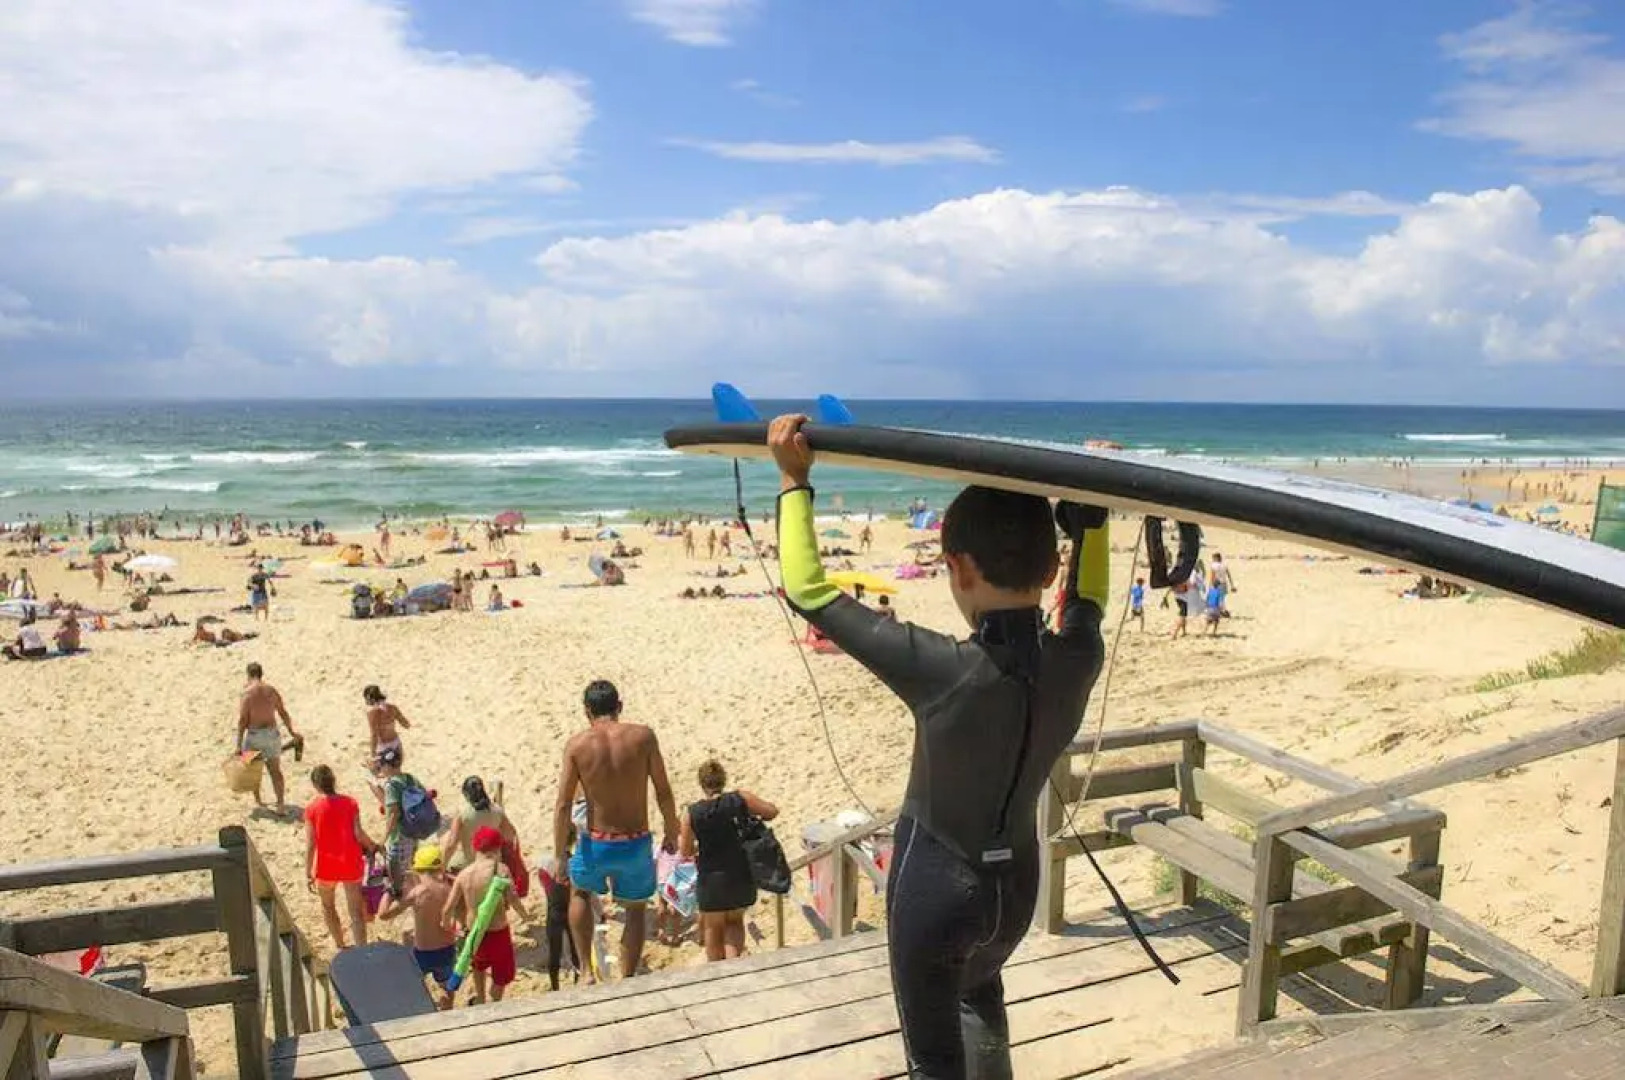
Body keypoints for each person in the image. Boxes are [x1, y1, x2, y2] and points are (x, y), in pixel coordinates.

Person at [767, 413, 1109, 1080]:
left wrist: (791, 481)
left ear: (953, 567)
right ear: (1050, 566)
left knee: (933, 1064)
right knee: (982, 1002)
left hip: (936, 891)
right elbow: (1085, 602)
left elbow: (809, 591)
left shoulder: (942, 670)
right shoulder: (1077, 657)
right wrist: (1090, 521)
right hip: (1015, 892)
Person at [552, 679, 679, 983]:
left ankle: (585, 970)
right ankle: (629, 974)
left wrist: (559, 854)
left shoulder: (577, 745)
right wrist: (672, 829)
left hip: (596, 840)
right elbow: (663, 790)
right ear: (619, 706)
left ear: (586, 711)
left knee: (581, 894)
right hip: (635, 840)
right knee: (635, 908)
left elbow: (563, 804)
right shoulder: (644, 738)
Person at [680, 759, 778, 962]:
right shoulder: (740, 799)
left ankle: (717, 974)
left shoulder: (691, 814)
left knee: (713, 926)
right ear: (723, 780)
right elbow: (771, 812)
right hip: (739, 874)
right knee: (734, 922)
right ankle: (734, 968)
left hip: (710, 879)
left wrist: (700, 845)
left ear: (702, 783)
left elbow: (686, 851)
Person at [443, 826, 528, 1004]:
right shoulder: (501, 870)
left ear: (475, 848)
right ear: (497, 849)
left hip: (474, 932)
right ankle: (494, 999)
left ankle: (481, 998)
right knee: (502, 974)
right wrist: (524, 915)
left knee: (478, 966)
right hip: (498, 932)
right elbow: (512, 898)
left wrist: (447, 925)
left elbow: (448, 908)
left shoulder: (464, 875)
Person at [304, 765, 377, 950]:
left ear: (315, 785)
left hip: (326, 866)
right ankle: (361, 950)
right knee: (355, 912)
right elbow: (358, 834)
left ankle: (341, 945)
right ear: (333, 781)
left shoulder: (312, 809)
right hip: (349, 862)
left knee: (328, 907)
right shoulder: (350, 803)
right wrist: (373, 845)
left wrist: (308, 871)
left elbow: (311, 843)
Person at [378, 844, 457, 1009]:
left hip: (424, 952)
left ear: (417, 868)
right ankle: (447, 1012)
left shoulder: (418, 893)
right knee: (446, 987)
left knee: (412, 984)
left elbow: (384, 915)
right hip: (447, 949)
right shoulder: (450, 888)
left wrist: (389, 892)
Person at [238, 663, 300, 815]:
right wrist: (292, 732)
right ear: (261, 674)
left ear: (249, 674)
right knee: (275, 771)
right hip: (272, 734)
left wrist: (238, 744)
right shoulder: (271, 691)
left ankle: (259, 801)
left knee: (253, 770)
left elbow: (242, 720)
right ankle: (280, 804)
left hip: (254, 736)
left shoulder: (247, 693)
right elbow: (283, 712)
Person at [442, 776, 517, 870]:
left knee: (445, 839)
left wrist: (442, 867)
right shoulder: (497, 811)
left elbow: (451, 844)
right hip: (495, 862)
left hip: (471, 863)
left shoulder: (462, 815)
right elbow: (510, 834)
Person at [364, 685, 412, 762]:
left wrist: (372, 753)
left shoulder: (372, 714)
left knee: (383, 773)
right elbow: (405, 723)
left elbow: (374, 734)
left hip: (383, 747)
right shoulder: (392, 708)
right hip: (395, 743)